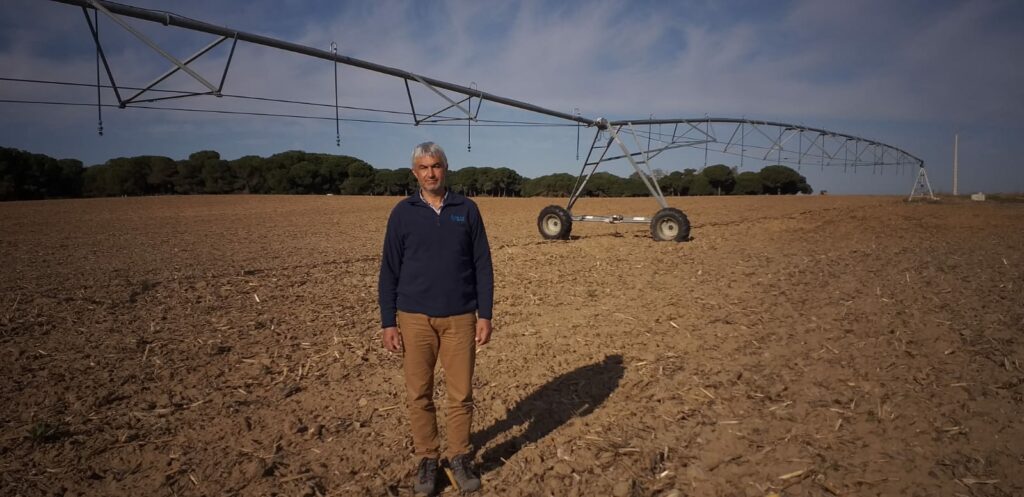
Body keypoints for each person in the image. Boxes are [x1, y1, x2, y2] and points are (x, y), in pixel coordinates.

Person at [378, 141, 494, 495]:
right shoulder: (403, 213)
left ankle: (459, 457)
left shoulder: (467, 209)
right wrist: (389, 321)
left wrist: (484, 314)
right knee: (420, 394)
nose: (431, 173)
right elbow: (389, 270)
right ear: (415, 173)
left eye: (437, 166)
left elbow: (482, 266)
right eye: (424, 167)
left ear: (446, 168)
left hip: (460, 317)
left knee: (460, 395)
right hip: (414, 319)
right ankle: (427, 458)